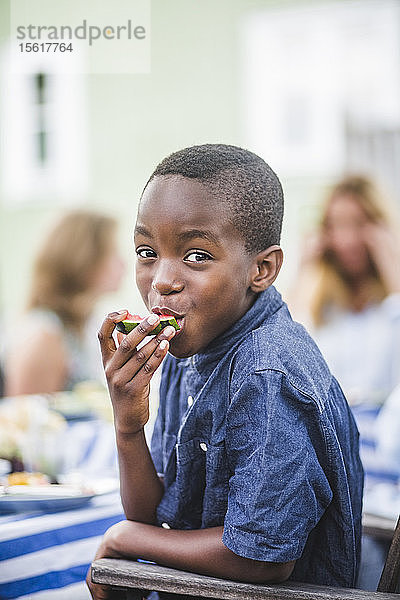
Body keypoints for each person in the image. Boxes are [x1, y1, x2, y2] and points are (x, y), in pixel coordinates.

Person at [87, 144, 363, 599]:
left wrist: (127, 539)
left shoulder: (266, 375)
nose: (161, 281)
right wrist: (128, 425)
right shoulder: (190, 346)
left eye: (196, 255)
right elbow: (153, 513)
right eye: (146, 251)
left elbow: (261, 558)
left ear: (263, 268)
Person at [289, 175, 400, 406]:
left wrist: (391, 264)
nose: (346, 239)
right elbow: (288, 350)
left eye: (358, 224)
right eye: (336, 225)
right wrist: (305, 269)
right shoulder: (323, 307)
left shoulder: (390, 304)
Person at [4, 210, 125, 395]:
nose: (123, 263)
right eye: (112, 252)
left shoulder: (84, 325)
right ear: (84, 260)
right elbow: (28, 419)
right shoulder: (44, 336)